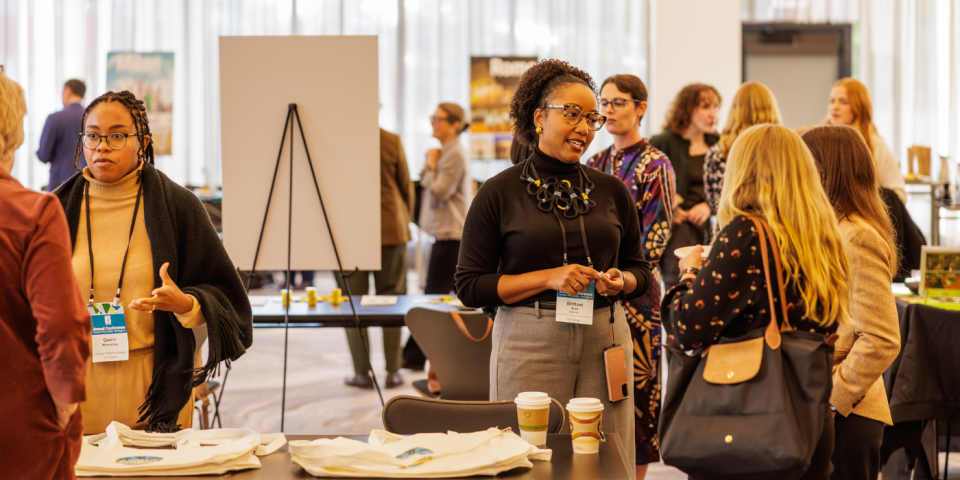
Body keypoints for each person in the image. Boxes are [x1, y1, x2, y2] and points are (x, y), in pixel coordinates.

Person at [456, 59, 652, 468]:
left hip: (607, 336)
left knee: (605, 458)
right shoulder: (498, 193)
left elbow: (641, 270)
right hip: (530, 336)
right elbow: (471, 285)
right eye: (573, 114)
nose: (583, 128)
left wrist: (622, 280)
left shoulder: (611, 190)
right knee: (527, 457)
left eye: (592, 118)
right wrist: (551, 277)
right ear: (540, 117)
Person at [54, 91, 253, 433]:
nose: (102, 145)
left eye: (117, 135)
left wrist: (188, 304)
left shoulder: (180, 206)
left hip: (157, 375)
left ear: (142, 141)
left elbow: (228, 294)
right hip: (79, 376)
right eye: (92, 134)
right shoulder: (55, 209)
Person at [663, 124, 851, 480]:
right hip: (807, 418)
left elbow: (686, 328)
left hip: (749, 422)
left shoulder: (745, 233)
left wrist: (690, 271)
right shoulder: (822, 236)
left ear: (743, 171)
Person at [0, 70, 91, 480]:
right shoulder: (34, 215)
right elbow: (61, 326)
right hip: (20, 427)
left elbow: (43, 155)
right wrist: (65, 403)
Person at [586, 73, 674, 479]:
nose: (608, 110)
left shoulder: (657, 164)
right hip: (591, 291)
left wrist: (620, 275)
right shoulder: (594, 162)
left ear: (641, 107)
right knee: (593, 389)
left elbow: (656, 235)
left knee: (636, 393)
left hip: (636, 296)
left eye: (618, 102)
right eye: (603, 102)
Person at [802, 125, 901, 480]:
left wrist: (833, 398)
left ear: (827, 173)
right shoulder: (835, 228)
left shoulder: (856, 235)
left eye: (806, 166)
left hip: (849, 415)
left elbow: (882, 337)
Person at [340, 128, 415, 389]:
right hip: (390, 226)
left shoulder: (336, 138)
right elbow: (406, 186)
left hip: (347, 231)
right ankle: (393, 371)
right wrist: (405, 218)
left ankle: (362, 373)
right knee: (392, 299)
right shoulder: (390, 139)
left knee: (352, 304)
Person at [650, 84, 720, 288]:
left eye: (716, 107)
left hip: (709, 224)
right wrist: (669, 210)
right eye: (706, 107)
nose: (713, 114)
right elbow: (647, 187)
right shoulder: (663, 142)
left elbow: (728, 187)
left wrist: (708, 205)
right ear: (688, 109)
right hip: (676, 228)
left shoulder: (718, 143)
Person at [704, 82, 782, 213]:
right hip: (775, 227)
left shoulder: (718, 153)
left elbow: (713, 201)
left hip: (729, 227)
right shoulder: (782, 149)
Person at [826, 78, 906, 203]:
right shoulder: (821, 141)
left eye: (843, 102)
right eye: (832, 101)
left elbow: (899, 195)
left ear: (858, 107)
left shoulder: (876, 145)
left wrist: (866, 202)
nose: (834, 107)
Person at [420, 102, 472, 295]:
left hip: (451, 240)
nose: (433, 123)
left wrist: (431, 164)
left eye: (438, 119)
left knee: (433, 298)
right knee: (440, 297)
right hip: (447, 237)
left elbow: (439, 191)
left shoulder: (454, 153)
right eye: (432, 118)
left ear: (454, 125)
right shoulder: (449, 151)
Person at [38, 79, 88, 191]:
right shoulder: (91, 118)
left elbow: (43, 155)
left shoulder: (55, 119)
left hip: (60, 185)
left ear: (68, 91)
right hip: (85, 182)